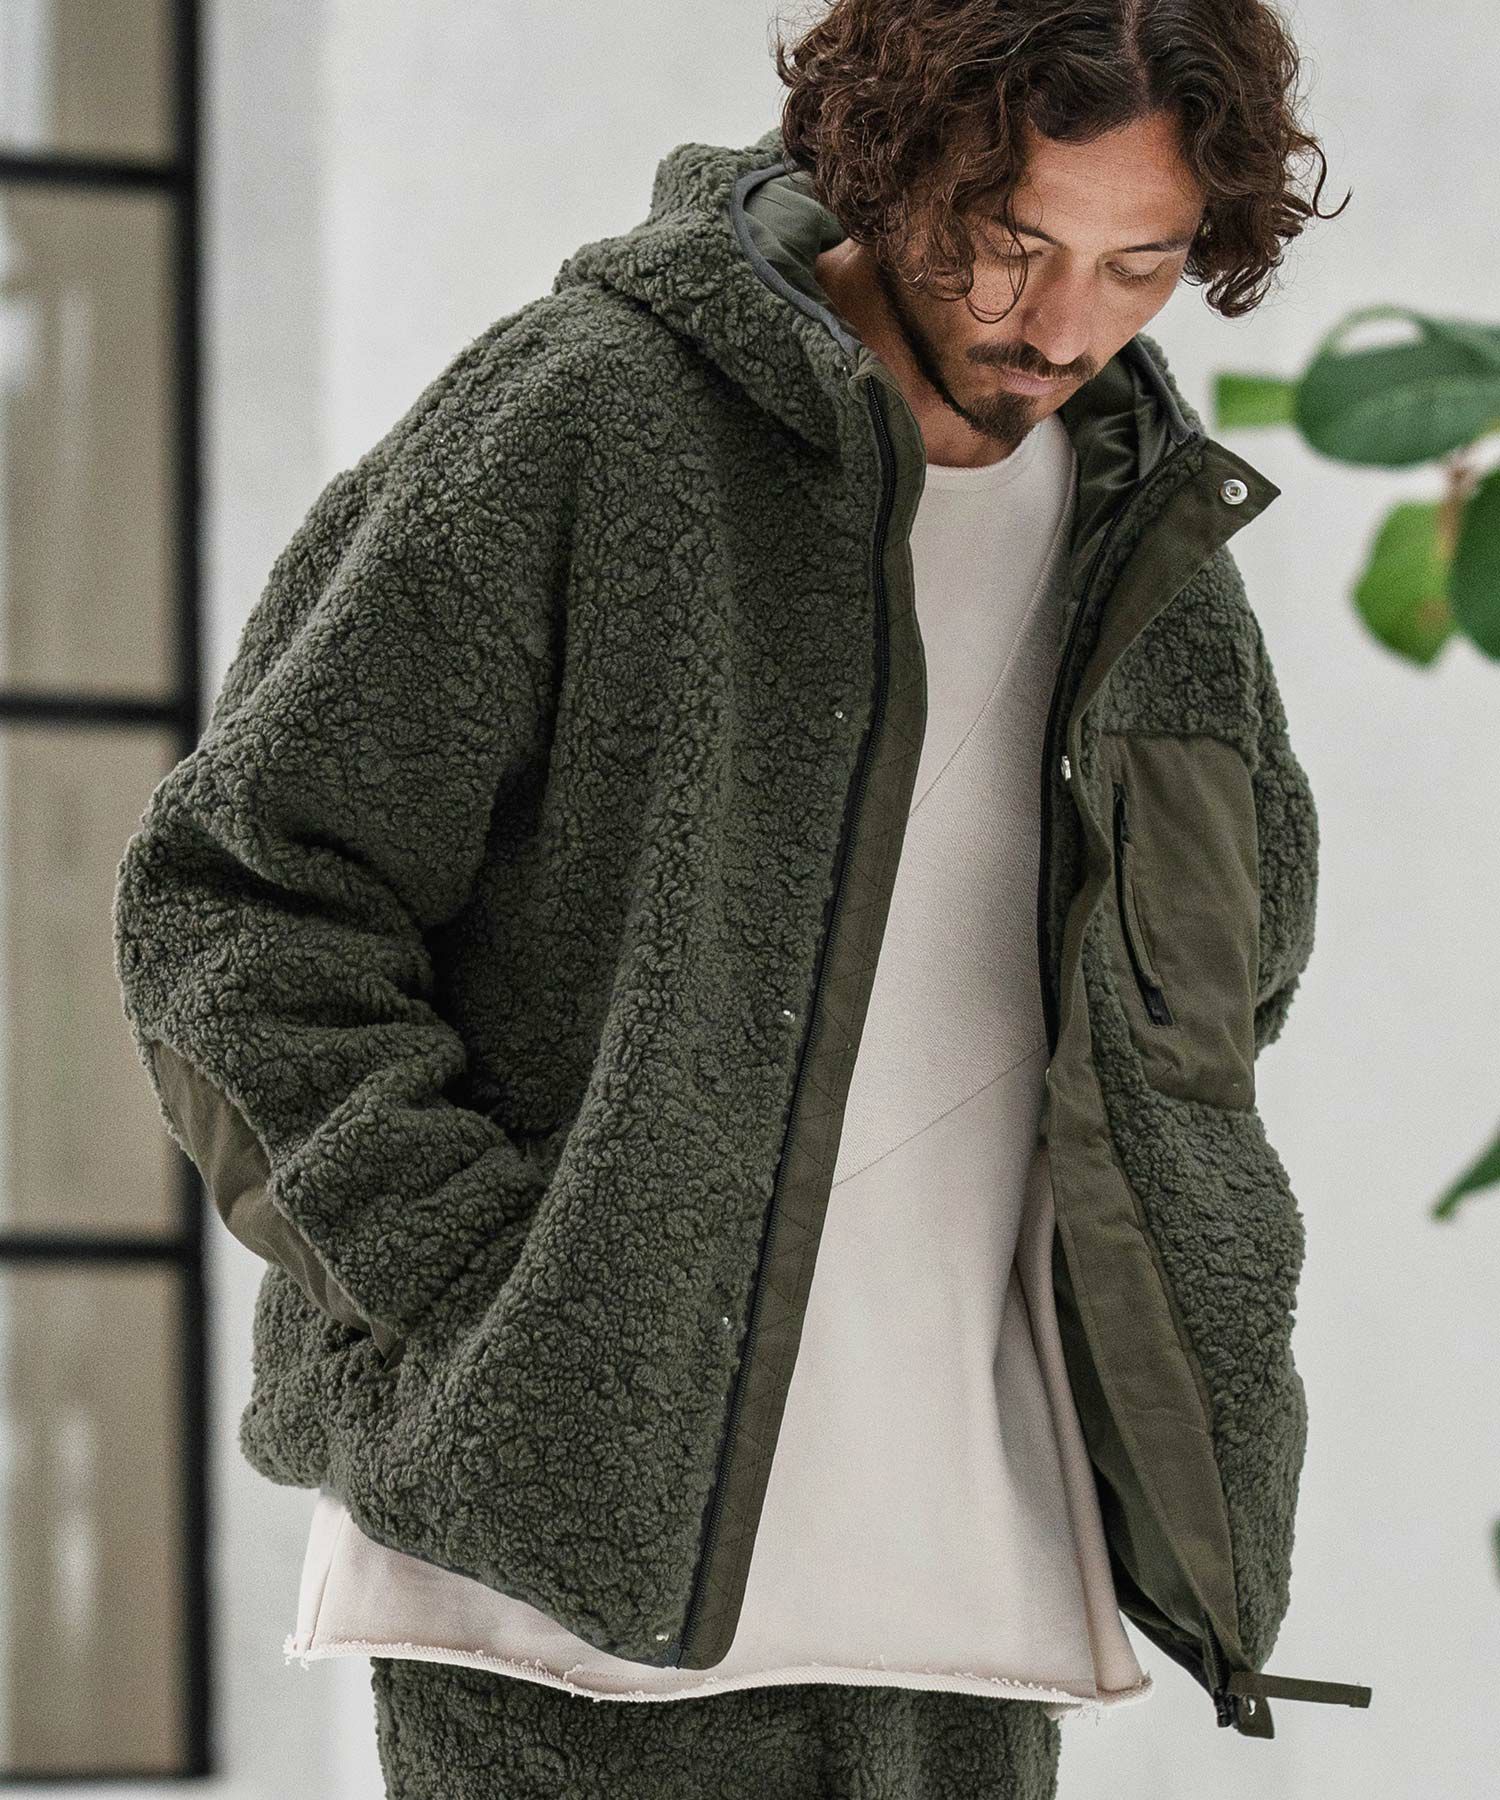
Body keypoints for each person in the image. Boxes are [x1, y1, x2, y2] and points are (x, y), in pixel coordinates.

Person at [112, 2, 1374, 1795]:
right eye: (1010, 242)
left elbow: (1225, 982)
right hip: (566, 1563)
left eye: (1140, 264)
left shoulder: (1143, 545)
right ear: (889, 161)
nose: (1061, 325)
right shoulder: (592, 416)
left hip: (975, 1564)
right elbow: (240, 902)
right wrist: (490, 1297)